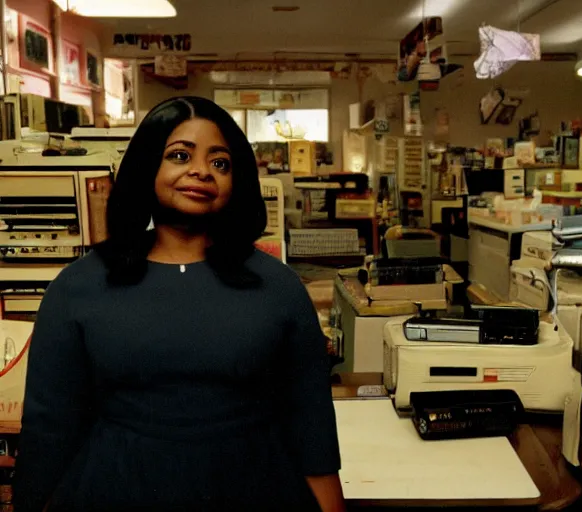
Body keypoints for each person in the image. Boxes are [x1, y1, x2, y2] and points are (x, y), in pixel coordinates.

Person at [13, 96, 345, 512]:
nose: (201, 171)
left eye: (220, 163)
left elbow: (310, 423)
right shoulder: (78, 287)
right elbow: (49, 429)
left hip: (257, 485)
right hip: (113, 487)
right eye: (180, 155)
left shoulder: (278, 287)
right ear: (147, 165)